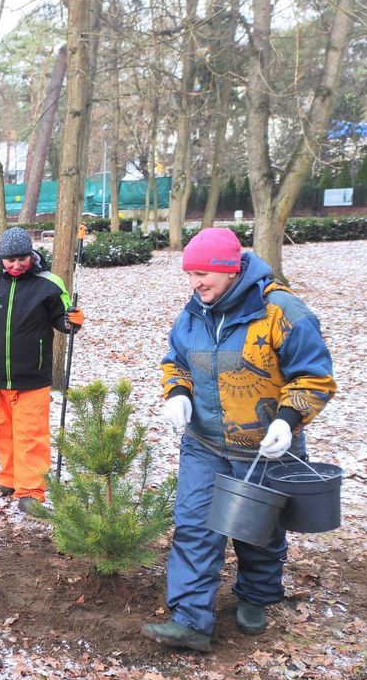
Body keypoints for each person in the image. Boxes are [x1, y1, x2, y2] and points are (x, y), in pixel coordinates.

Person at [143, 227, 336, 652]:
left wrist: (288, 420)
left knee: (257, 530)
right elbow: (175, 361)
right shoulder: (193, 313)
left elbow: (314, 377)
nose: (195, 283)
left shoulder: (281, 312)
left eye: (203, 274)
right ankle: (191, 620)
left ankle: (256, 596)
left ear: (230, 270)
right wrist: (177, 393)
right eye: (189, 274)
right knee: (194, 526)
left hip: (265, 448)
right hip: (204, 443)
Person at [0, 226, 84, 514]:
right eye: (10, 259)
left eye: (21, 259)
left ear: (31, 255)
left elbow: (62, 318)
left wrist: (72, 321)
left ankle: (31, 490)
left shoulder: (49, 283)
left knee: (31, 434)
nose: (15, 265)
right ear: (0, 256)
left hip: (32, 378)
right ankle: (10, 479)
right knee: (1, 431)